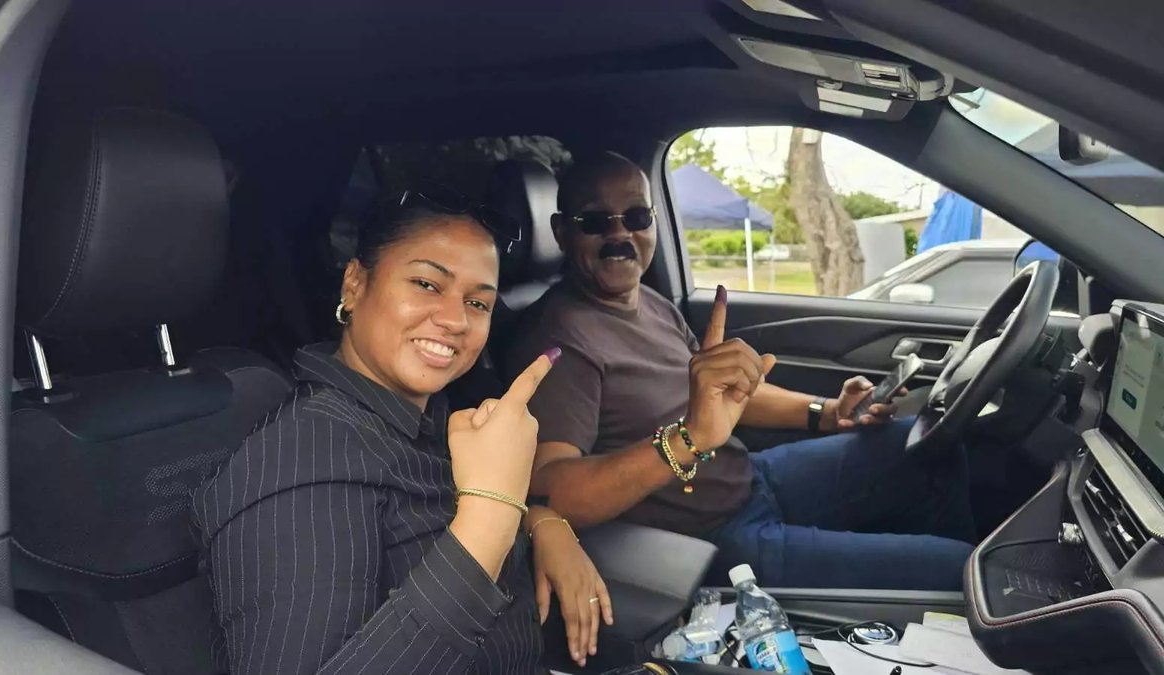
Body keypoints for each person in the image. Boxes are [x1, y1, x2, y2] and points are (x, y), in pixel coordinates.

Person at [507, 152, 976, 591]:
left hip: (752, 477)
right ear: (562, 232)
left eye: (636, 217)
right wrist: (687, 439)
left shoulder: (649, 303)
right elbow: (551, 491)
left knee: (927, 444)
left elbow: (725, 400)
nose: (619, 236)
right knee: (965, 571)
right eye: (594, 221)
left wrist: (828, 412)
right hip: (712, 537)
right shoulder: (558, 341)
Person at [193, 188, 613, 675]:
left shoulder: (428, 423)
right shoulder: (301, 457)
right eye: (427, 285)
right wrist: (492, 512)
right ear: (354, 284)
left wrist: (539, 519)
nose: (455, 319)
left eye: (478, 303)